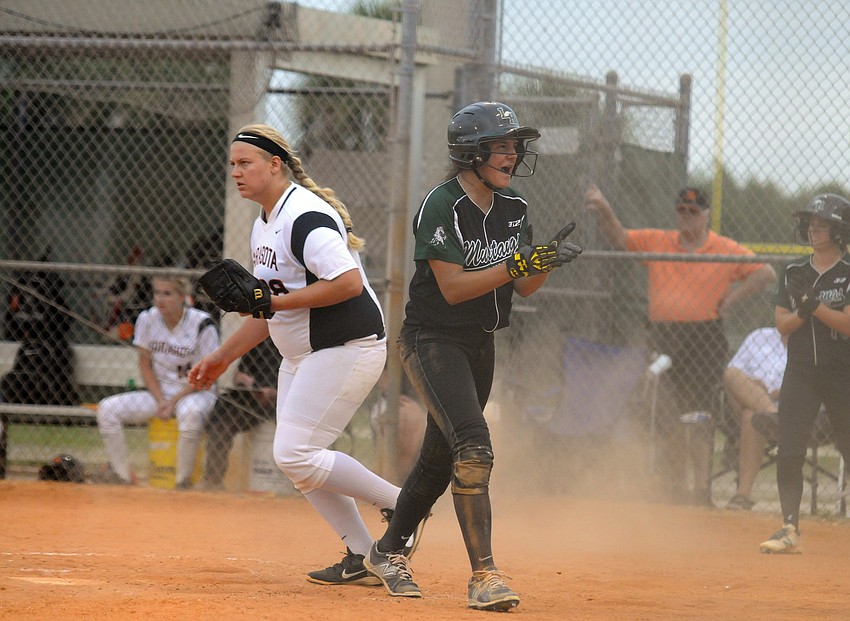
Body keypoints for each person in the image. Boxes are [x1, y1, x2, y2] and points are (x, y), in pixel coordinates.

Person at [361, 101, 582, 612]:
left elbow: (524, 287)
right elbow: (455, 288)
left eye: (514, 146)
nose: (512, 154)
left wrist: (541, 261)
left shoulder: (515, 208)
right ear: (470, 152)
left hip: (481, 344)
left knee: (440, 461)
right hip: (431, 340)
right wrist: (517, 264)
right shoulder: (440, 205)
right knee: (474, 446)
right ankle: (484, 575)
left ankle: (387, 550)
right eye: (501, 145)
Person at [188, 123, 421, 586]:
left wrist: (272, 303)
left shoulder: (304, 217)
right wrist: (223, 356)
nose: (235, 172)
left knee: (295, 454)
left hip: (347, 347)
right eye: (232, 164)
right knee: (297, 459)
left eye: (245, 163)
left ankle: (403, 504)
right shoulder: (265, 221)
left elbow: (348, 283)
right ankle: (363, 555)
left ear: (275, 165)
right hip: (304, 354)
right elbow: (266, 307)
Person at [585, 185, 776, 506]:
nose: (686, 217)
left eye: (693, 212)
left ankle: (701, 490)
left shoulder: (723, 248)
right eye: (681, 211)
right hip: (663, 336)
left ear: (706, 216)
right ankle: (676, 487)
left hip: (704, 336)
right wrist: (605, 209)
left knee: (699, 415)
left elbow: (766, 273)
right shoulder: (660, 240)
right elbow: (620, 238)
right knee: (668, 413)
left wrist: (732, 297)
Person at [759, 193, 850, 554]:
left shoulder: (847, 273)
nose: (814, 229)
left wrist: (815, 306)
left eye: (823, 224)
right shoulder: (794, 271)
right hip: (800, 373)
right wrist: (804, 312)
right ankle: (789, 527)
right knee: (790, 447)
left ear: (839, 229)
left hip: (841, 371)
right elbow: (782, 324)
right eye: (811, 223)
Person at [95, 276, 219, 487]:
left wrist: (173, 401)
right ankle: (123, 476)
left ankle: (183, 481)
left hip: (196, 392)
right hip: (159, 394)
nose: (160, 299)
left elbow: (207, 374)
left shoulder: (202, 324)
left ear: (183, 297)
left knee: (190, 414)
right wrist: (162, 399)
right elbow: (145, 365)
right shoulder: (147, 319)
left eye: (167, 294)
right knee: (107, 410)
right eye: (157, 293)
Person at [201, 336, 280, 490]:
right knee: (221, 419)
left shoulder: (297, 340)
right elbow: (238, 374)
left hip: (284, 399)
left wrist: (274, 393)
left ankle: (303, 488)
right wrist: (246, 381)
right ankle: (213, 481)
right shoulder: (260, 338)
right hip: (252, 397)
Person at [722, 326, 786, 510]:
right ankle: (774, 419)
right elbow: (735, 378)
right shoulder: (759, 336)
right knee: (732, 374)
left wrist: (777, 393)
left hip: (793, 408)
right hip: (754, 405)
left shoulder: (813, 340)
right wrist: (756, 389)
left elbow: (815, 383)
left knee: (753, 415)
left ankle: (742, 495)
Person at [369, 366, 427, 482]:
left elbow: (405, 457)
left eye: (383, 374)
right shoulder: (384, 404)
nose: (378, 380)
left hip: (403, 474)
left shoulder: (406, 408)